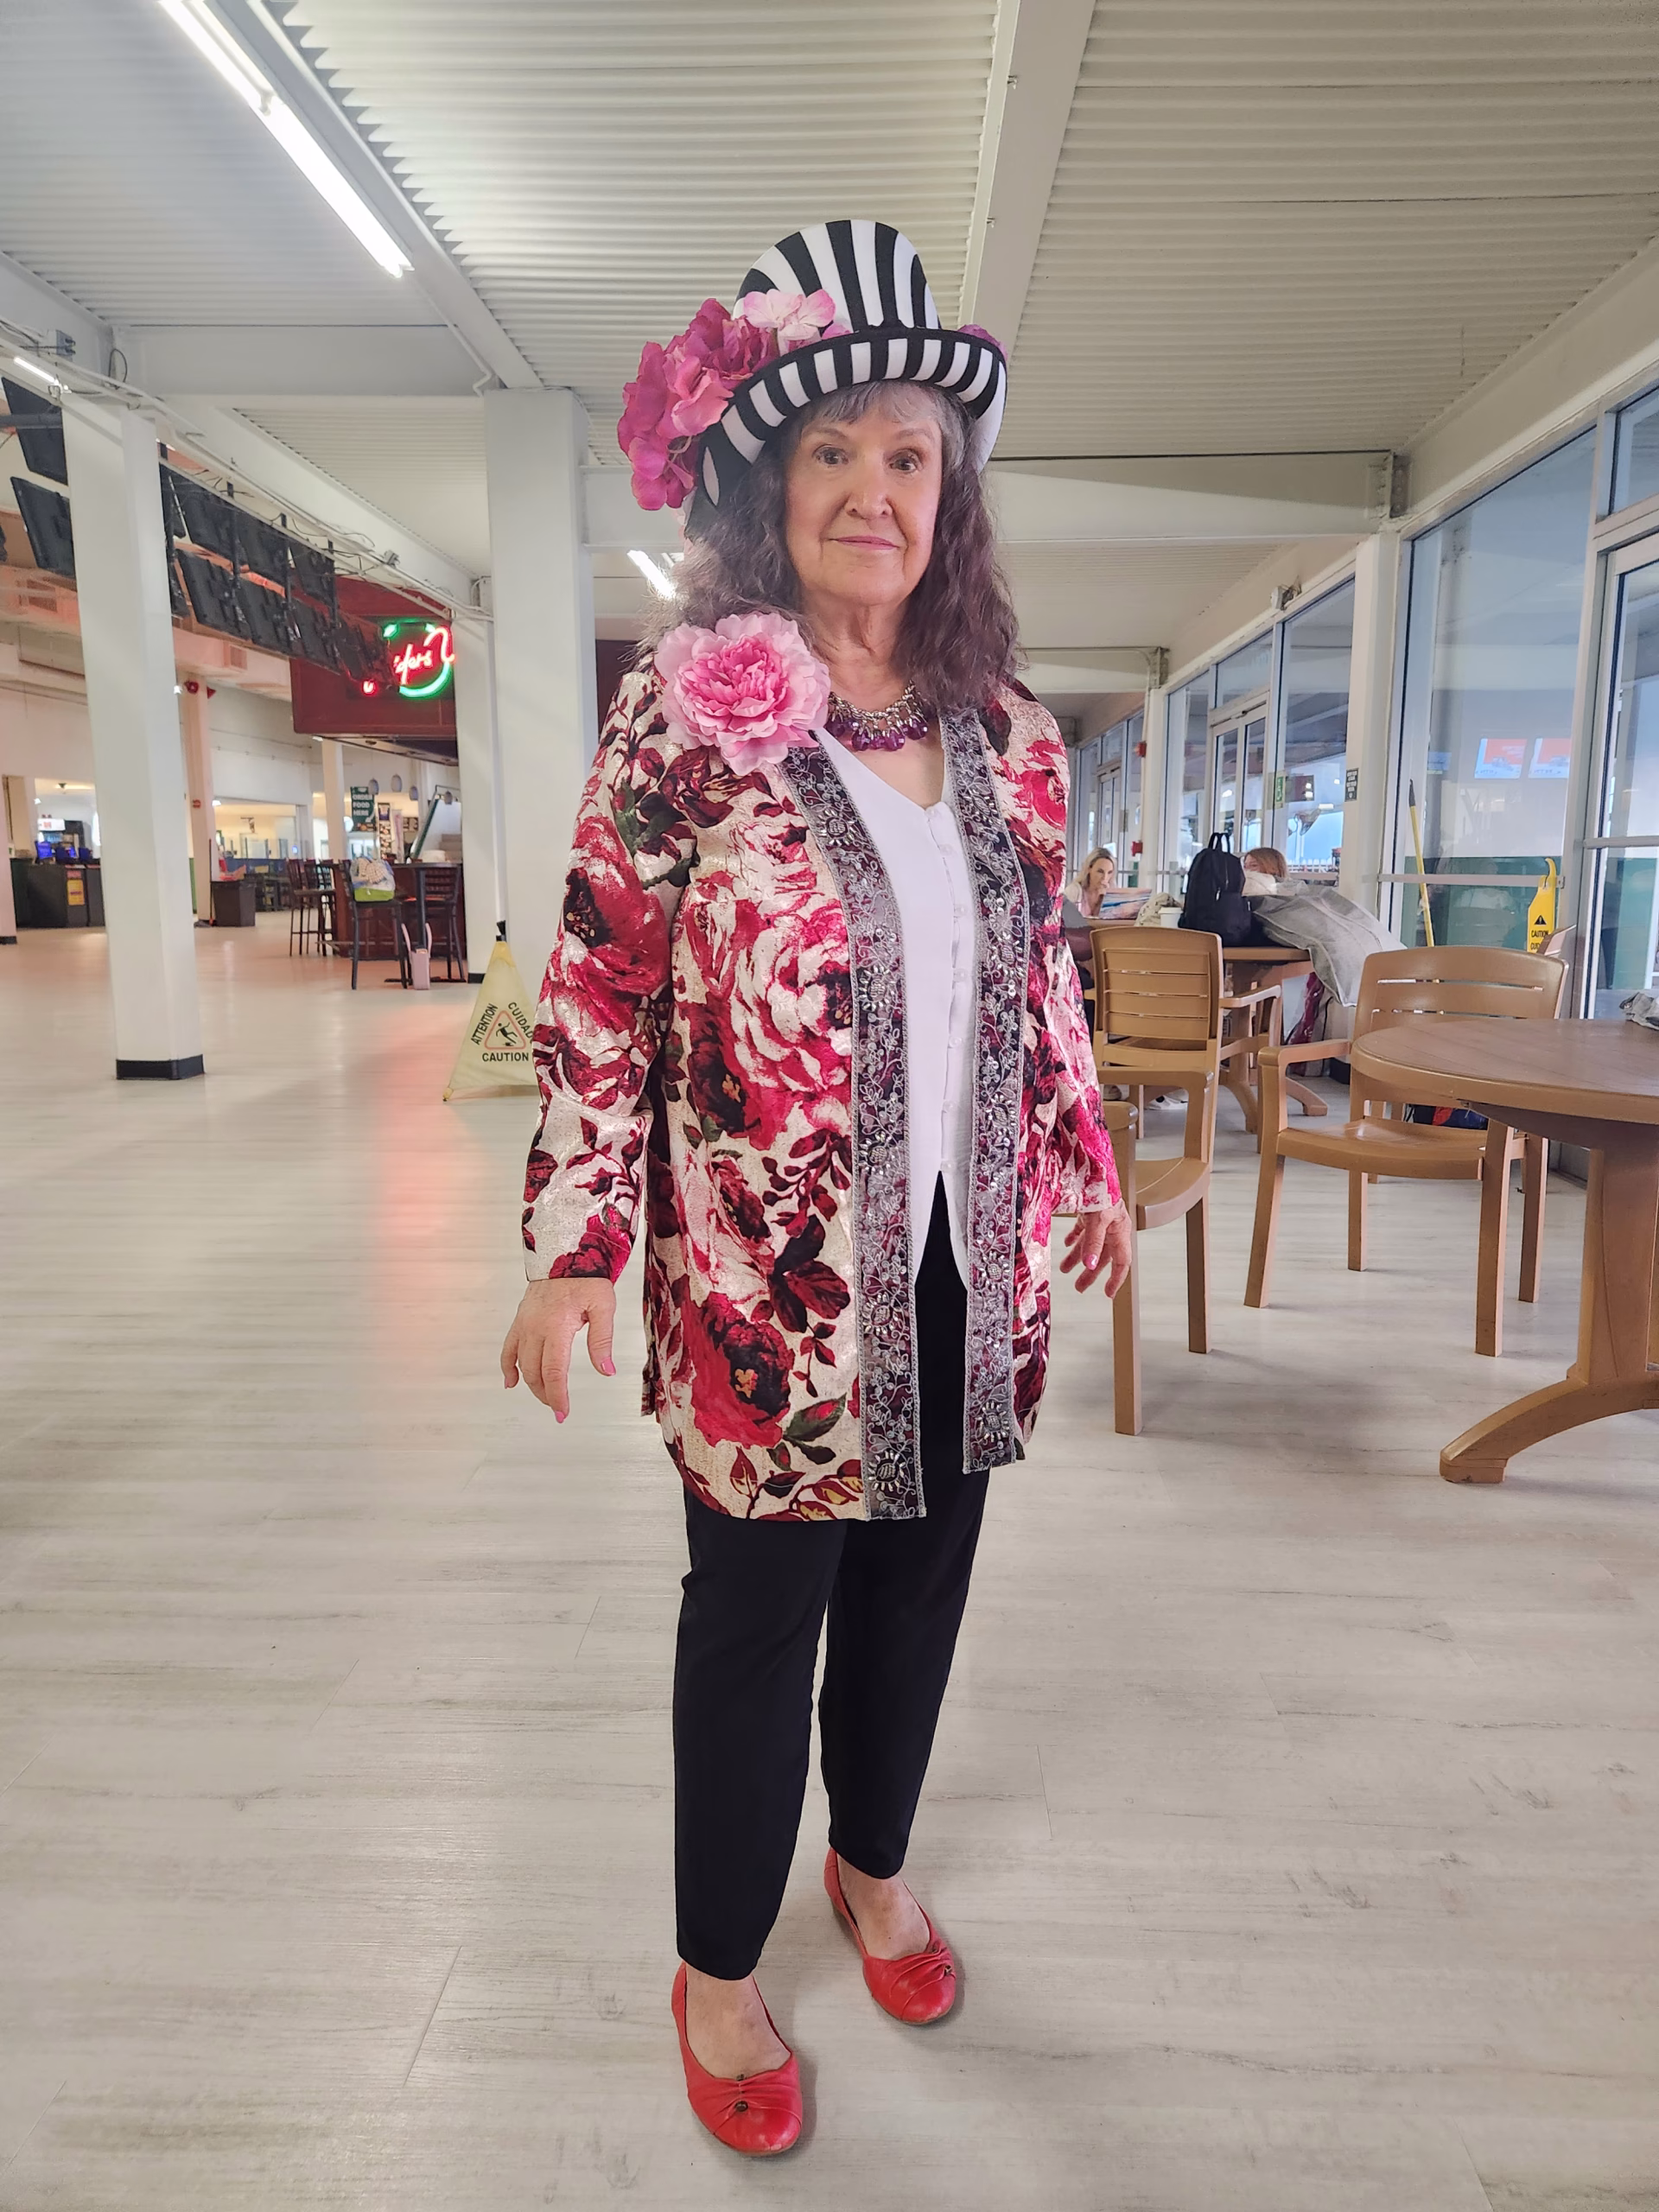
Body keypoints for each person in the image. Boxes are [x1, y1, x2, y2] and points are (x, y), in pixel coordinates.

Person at [499, 219, 1129, 2158]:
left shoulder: (1010, 736)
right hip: (765, 1277)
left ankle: (869, 1860)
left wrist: (1088, 1154)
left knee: (921, 1588)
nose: (876, 487)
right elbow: (600, 973)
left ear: (952, 496)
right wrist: (578, 1239)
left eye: (911, 454)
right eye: (836, 447)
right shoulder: (690, 714)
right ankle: (714, 1964)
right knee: (758, 1621)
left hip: (966, 1255)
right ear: (772, 485)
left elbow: (1040, 975)